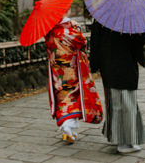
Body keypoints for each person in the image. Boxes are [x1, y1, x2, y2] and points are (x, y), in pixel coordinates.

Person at [89, 20, 145, 154]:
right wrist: (143, 31)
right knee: (125, 101)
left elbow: (95, 42)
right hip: (124, 63)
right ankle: (124, 142)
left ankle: (116, 136)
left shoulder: (103, 15)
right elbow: (138, 41)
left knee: (115, 100)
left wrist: (94, 64)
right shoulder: (128, 16)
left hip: (108, 63)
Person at [44, 12, 103, 143]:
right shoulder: (71, 26)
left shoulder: (49, 27)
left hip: (57, 69)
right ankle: (68, 127)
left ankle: (67, 127)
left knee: (61, 95)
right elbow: (81, 41)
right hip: (72, 66)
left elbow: (49, 45)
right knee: (73, 94)